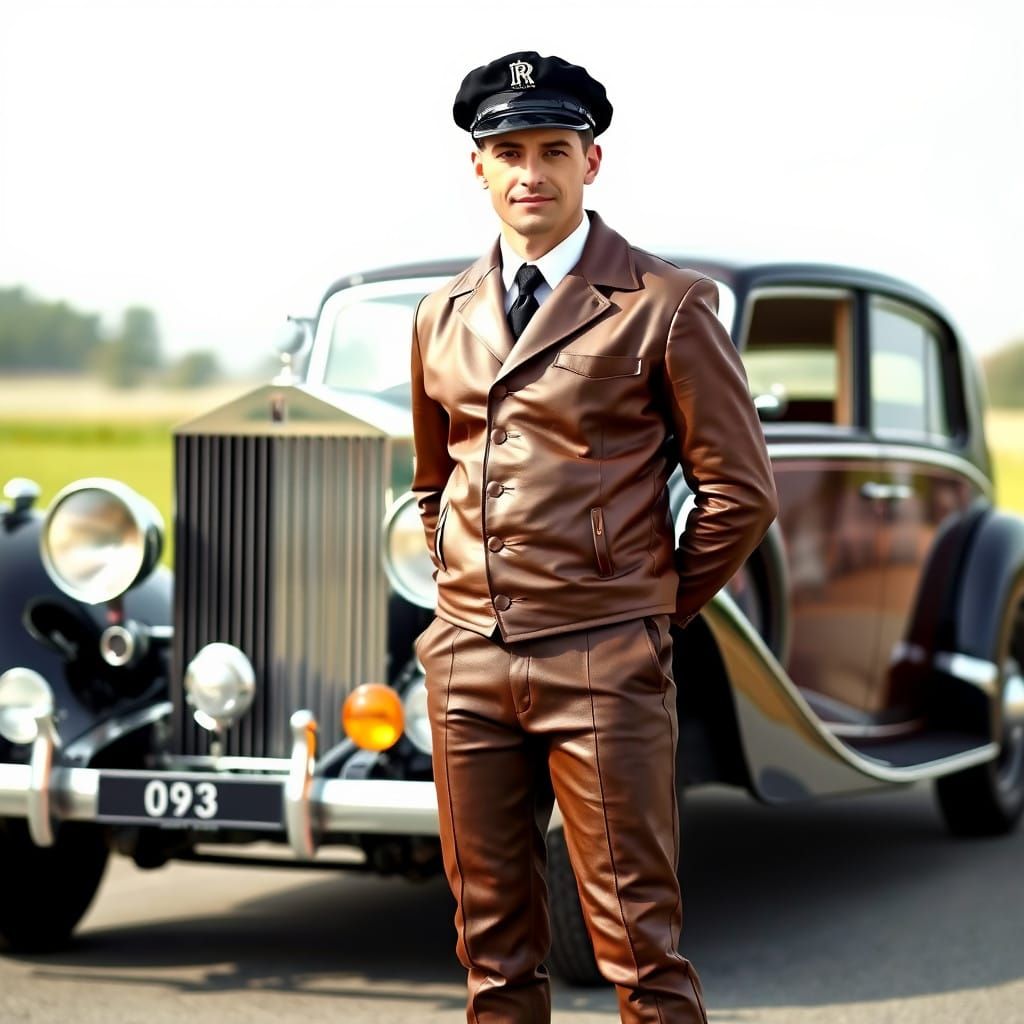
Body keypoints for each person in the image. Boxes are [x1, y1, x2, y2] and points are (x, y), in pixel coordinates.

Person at [410, 50, 778, 1024]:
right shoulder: (440, 314)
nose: (530, 172)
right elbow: (431, 482)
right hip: (465, 658)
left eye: (552, 150)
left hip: (600, 656)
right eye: (508, 152)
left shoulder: (667, 303)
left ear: (592, 162)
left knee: (637, 951)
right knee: (491, 954)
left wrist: (642, 609)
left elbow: (738, 494)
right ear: (477, 169)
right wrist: (458, 605)